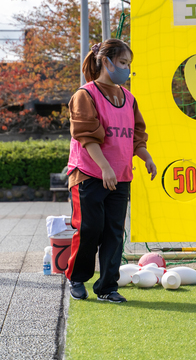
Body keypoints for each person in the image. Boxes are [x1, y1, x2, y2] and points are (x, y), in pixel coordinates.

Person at [66, 39, 157, 303]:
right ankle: (77, 278)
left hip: (120, 177)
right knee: (89, 229)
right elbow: (86, 135)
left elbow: (136, 135)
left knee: (114, 234)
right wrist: (104, 167)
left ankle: (107, 287)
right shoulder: (86, 95)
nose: (127, 69)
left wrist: (145, 155)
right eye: (123, 63)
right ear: (106, 62)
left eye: (129, 64)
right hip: (89, 175)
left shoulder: (129, 98)